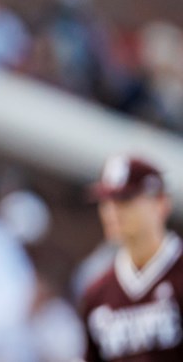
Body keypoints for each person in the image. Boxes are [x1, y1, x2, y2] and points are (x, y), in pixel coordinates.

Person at [78, 154, 183, 361]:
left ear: (160, 203)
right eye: (106, 202)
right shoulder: (97, 295)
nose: (112, 212)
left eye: (124, 200)